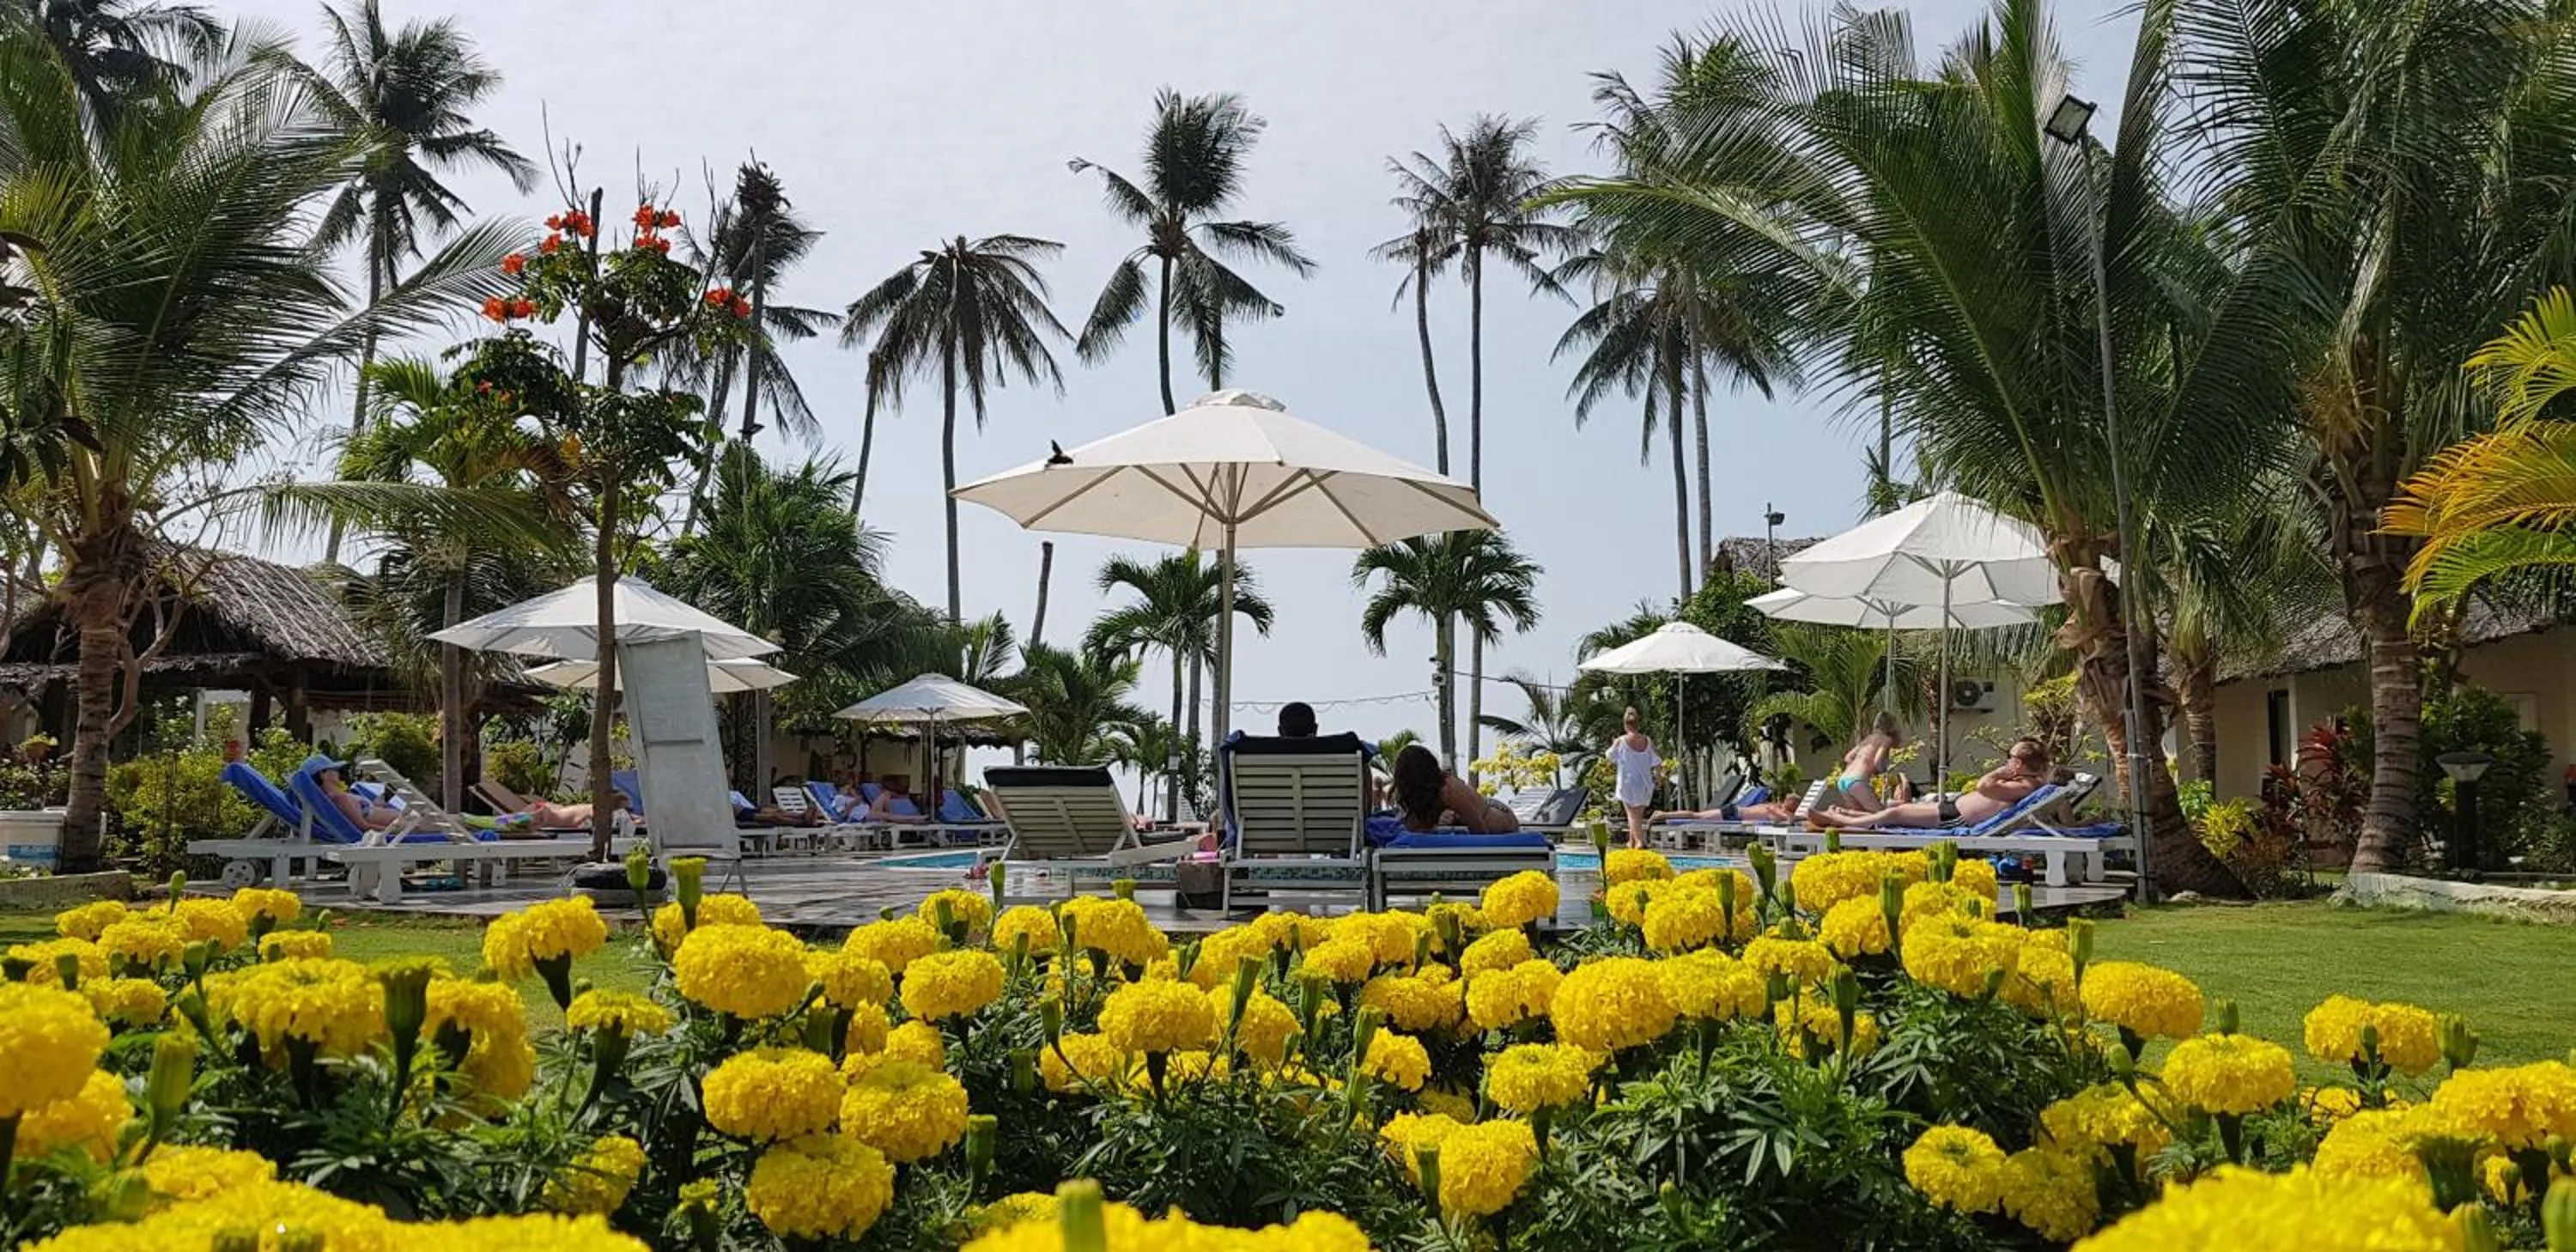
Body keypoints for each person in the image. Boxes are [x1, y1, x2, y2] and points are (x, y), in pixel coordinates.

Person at [1811, 738, 2051, 830]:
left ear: (2018, 763)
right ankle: (1844, 814)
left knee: (1893, 814)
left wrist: (1999, 772)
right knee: (1897, 809)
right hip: (1951, 809)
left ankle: (1839, 820)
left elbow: (1984, 787)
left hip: (1956, 819)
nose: (2006, 760)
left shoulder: (2024, 786)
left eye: (2010, 756)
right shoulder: (2023, 782)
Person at [1388, 744, 1520, 835]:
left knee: (1474, 820)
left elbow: (1480, 829)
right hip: (1483, 807)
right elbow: (1413, 828)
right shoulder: (1420, 795)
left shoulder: (1449, 788)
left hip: (1499, 815)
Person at [1603, 708, 1662, 849]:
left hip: (1628, 782)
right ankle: (1632, 842)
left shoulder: (1621, 741)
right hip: (1644, 782)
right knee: (1638, 816)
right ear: (1638, 724)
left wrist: (1614, 744)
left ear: (1625, 725)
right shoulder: (1647, 741)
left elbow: (1609, 756)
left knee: (1631, 815)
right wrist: (1658, 778)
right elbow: (1657, 762)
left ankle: (1640, 841)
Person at [1828, 711, 1909, 812]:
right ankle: (1833, 813)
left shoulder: (1868, 739)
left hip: (1843, 780)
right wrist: (1882, 770)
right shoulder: (1886, 739)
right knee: (1881, 815)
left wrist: (1861, 764)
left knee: (1861, 814)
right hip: (1857, 781)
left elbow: (1848, 757)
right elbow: (1877, 761)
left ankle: (1836, 813)